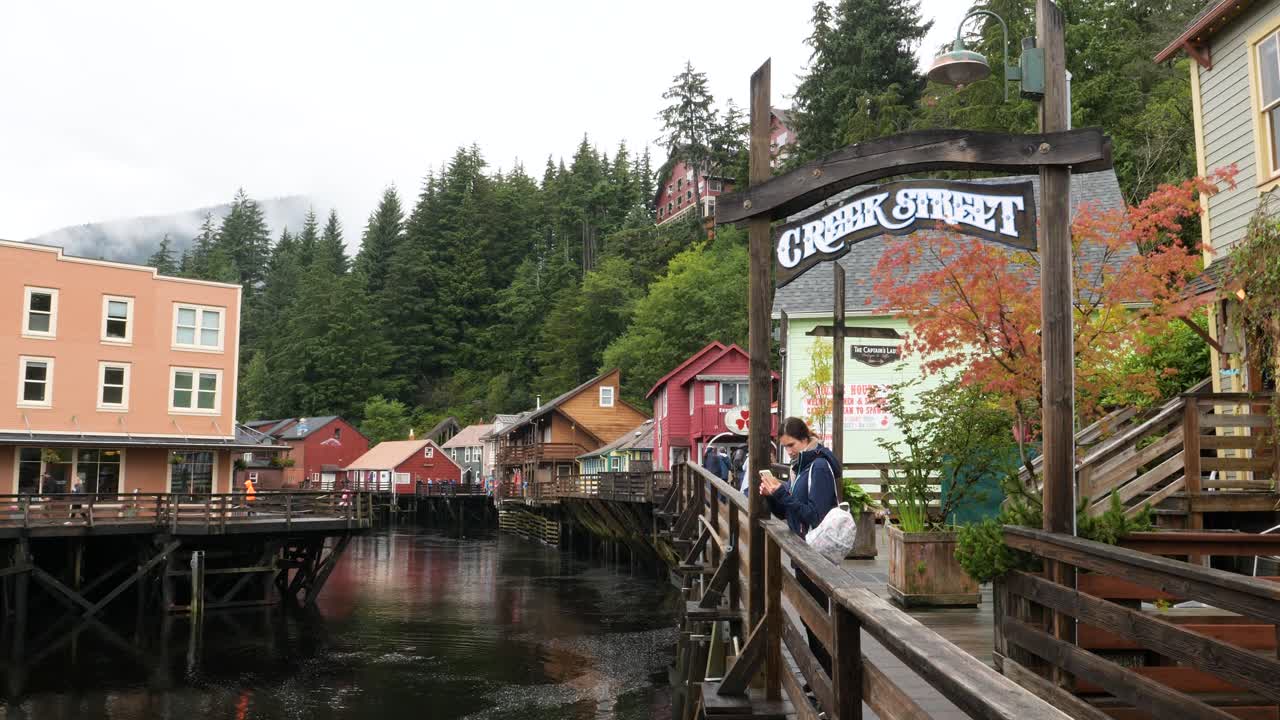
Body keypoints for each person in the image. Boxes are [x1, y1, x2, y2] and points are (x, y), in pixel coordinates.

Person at [758, 416, 840, 676]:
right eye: (785, 447)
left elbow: (815, 516)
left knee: (817, 621)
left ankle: (828, 681)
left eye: (791, 445)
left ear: (805, 439)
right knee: (809, 619)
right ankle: (821, 681)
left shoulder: (819, 467)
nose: (789, 451)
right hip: (803, 553)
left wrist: (782, 494)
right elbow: (788, 513)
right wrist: (773, 497)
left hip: (816, 555)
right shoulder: (801, 467)